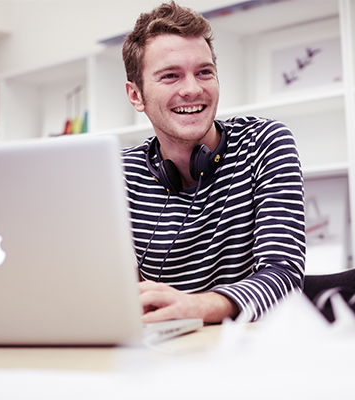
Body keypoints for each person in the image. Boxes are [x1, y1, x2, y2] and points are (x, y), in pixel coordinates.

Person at [121, 1, 305, 324]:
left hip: (244, 353)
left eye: (204, 72)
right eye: (171, 76)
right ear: (136, 95)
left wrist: (196, 308)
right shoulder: (118, 175)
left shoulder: (265, 143)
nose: (192, 89)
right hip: (159, 357)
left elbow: (284, 276)